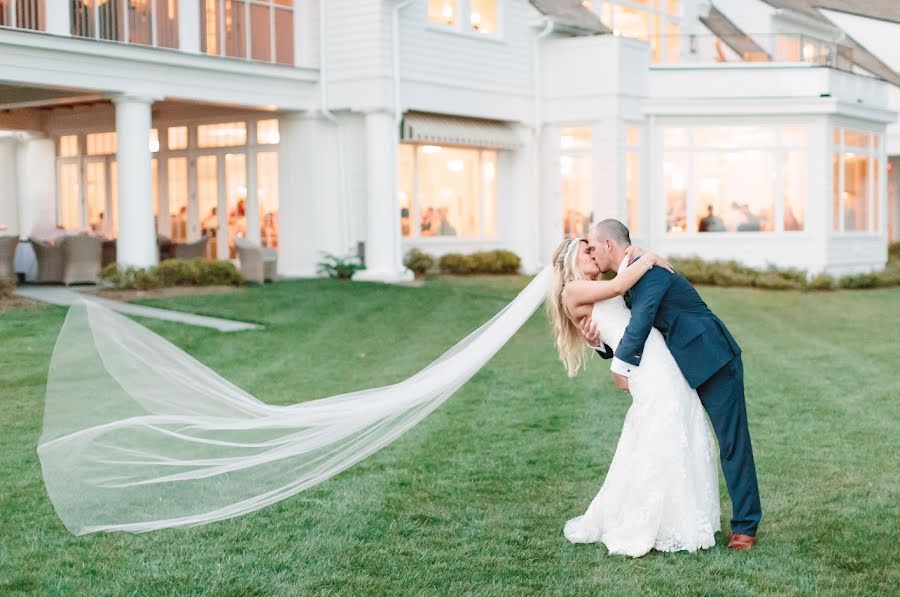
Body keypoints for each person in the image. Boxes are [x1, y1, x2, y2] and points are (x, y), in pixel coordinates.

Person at [580, 219, 762, 551]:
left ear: (609, 244)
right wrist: (599, 345)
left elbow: (641, 320)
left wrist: (621, 368)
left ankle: (745, 527)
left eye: (592, 246)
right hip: (677, 370)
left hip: (712, 359)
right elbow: (621, 328)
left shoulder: (649, 270)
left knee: (732, 443)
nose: (590, 254)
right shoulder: (631, 274)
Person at [547, 234, 720, 557]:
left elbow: (618, 306)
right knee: (663, 426)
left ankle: (686, 516)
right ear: (572, 260)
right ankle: (654, 520)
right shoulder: (572, 289)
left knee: (680, 419)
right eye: (587, 251)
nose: (594, 255)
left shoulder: (596, 284)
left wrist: (634, 257)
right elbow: (617, 289)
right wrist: (648, 258)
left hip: (657, 356)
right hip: (645, 367)